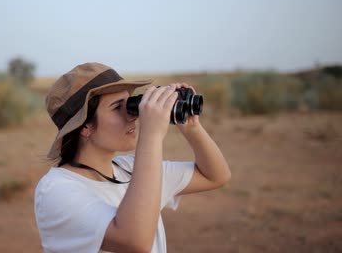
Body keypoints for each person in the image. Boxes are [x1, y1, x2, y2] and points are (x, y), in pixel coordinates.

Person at [34, 62, 231, 253]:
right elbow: (135, 242)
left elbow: (215, 176)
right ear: (85, 127)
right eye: (117, 107)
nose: (133, 116)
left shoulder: (130, 169)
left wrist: (191, 127)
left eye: (130, 104)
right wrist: (151, 135)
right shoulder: (56, 189)